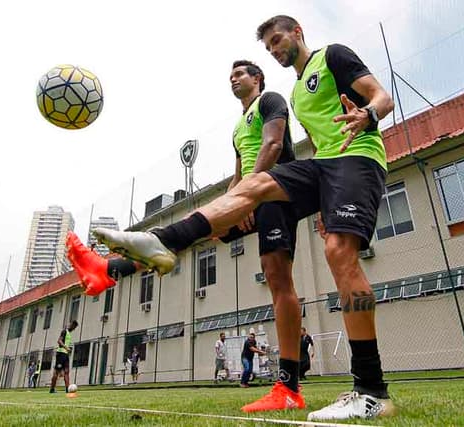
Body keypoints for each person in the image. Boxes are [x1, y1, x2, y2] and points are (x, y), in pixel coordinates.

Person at [86, 14, 396, 420]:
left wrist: (368, 115)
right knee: (253, 187)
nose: (273, 48)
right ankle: (163, 240)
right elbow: (308, 146)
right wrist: (323, 199)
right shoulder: (300, 93)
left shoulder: (332, 57)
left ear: (297, 33)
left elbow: (382, 97)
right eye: (267, 45)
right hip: (323, 167)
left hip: (357, 159)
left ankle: (371, 391)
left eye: (277, 40)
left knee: (339, 253)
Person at [66, 60, 306, 412]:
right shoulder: (238, 127)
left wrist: (249, 196)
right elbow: (237, 176)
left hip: (274, 191)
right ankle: (108, 270)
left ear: (257, 79)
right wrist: (227, 207)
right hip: (251, 194)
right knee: (190, 234)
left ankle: (289, 386)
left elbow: (273, 146)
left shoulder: (270, 100)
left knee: (278, 279)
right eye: (230, 76)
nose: (233, 79)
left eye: (240, 74)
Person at [49, 320, 78, 393]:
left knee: (66, 371)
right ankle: (52, 389)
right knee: (57, 372)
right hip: (60, 353)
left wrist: (68, 350)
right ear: (70, 325)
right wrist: (66, 348)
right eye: (73, 326)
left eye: (75, 327)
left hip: (65, 354)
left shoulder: (69, 333)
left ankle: (68, 389)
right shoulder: (64, 331)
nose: (73, 328)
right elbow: (59, 341)